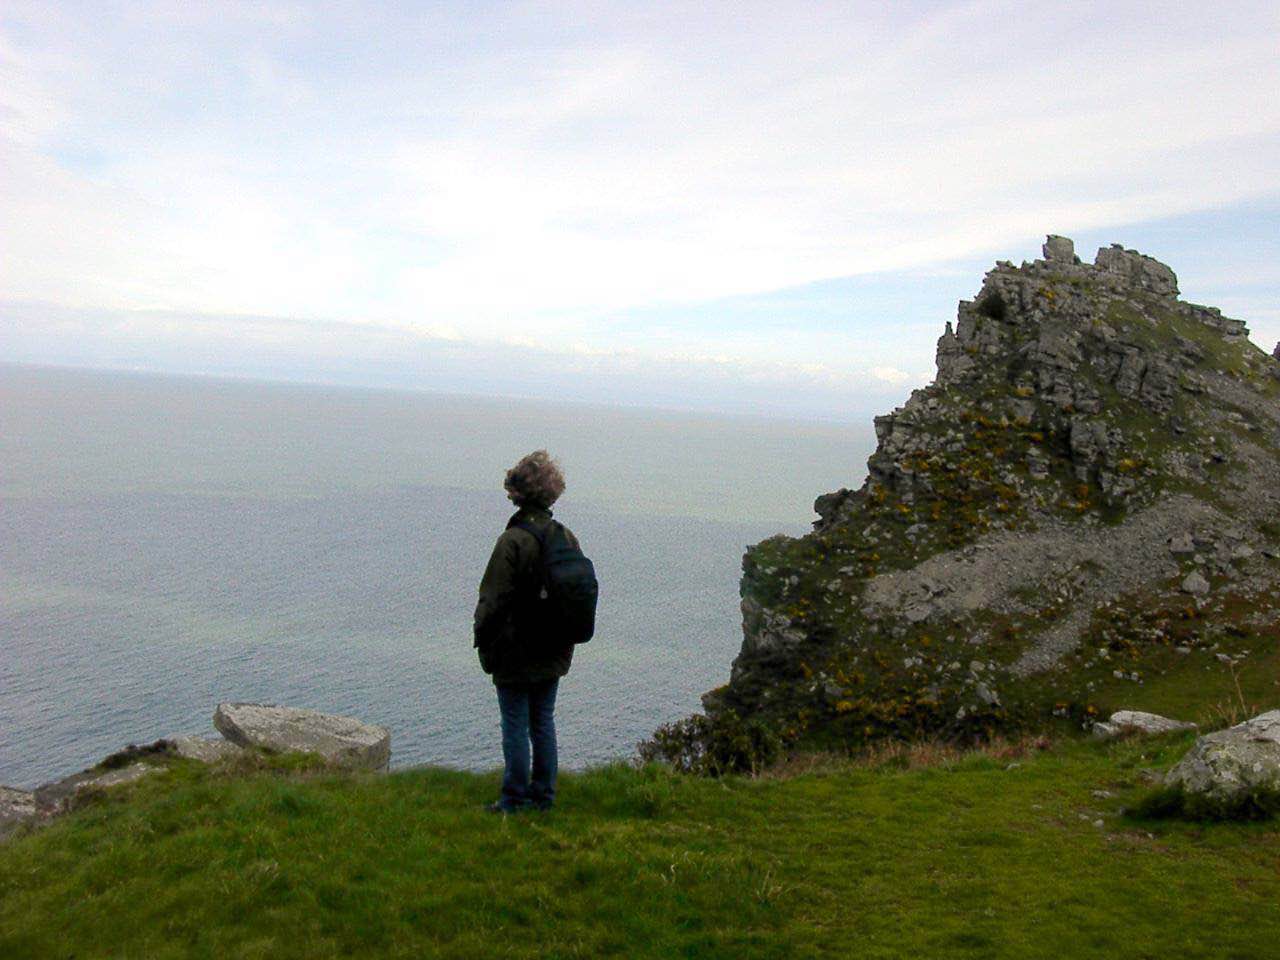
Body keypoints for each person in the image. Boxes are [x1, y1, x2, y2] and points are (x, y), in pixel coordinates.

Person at [473, 450, 579, 813]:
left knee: (516, 723)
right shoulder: (566, 537)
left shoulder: (512, 541)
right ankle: (544, 795)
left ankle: (513, 799)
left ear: (516, 492)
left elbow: (492, 599)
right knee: (543, 721)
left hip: (515, 650)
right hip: (555, 647)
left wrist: (482, 639)